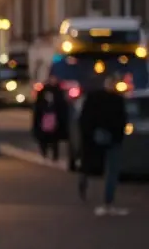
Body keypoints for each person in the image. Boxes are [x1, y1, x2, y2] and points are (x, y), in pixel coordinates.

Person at [77, 74, 129, 216]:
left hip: (95, 138)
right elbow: (122, 120)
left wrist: (88, 135)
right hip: (113, 139)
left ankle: (85, 180)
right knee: (112, 170)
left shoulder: (93, 98)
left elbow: (84, 119)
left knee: (92, 164)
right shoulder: (118, 100)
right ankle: (108, 201)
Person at [32, 76, 69, 162]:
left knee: (54, 138)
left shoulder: (57, 92)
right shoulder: (43, 91)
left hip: (54, 117)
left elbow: (61, 106)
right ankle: (45, 152)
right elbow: (38, 106)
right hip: (45, 117)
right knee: (44, 137)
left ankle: (54, 155)